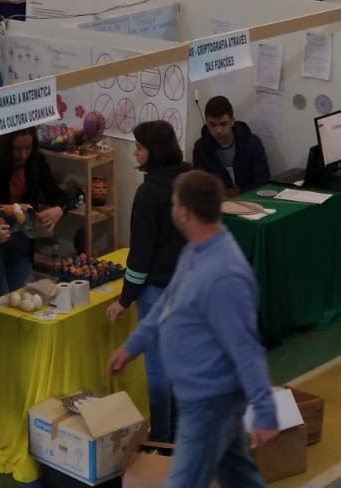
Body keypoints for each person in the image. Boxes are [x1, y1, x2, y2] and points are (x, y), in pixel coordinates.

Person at [107, 170, 277, 486]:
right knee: (239, 475)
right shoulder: (194, 252)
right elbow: (165, 306)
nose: (172, 208)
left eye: (174, 203)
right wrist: (132, 346)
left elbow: (246, 348)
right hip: (199, 396)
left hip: (213, 401)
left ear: (184, 212)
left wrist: (265, 413)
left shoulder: (224, 275)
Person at [105, 120, 191, 442]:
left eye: (139, 147)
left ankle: (162, 439)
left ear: (151, 152)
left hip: (158, 292)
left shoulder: (149, 194)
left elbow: (140, 257)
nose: (135, 152)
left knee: (158, 369)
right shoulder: (191, 180)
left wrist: (125, 298)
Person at [0, 129, 64, 294]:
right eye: (17, 149)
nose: (23, 154)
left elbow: (57, 195)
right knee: (1, 298)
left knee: (20, 297)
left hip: (22, 242)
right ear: (6, 147)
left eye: (28, 148)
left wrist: (58, 209)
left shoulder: (36, 163)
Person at [191, 95, 271, 195]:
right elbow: (199, 185)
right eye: (212, 125)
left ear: (232, 121)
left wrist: (237, 193)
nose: (218, 130)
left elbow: (263, 181)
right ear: (206, 123)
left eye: (223, 124)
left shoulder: (251, 143)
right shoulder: (201, 148)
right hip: (217, 203)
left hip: (251, 199)